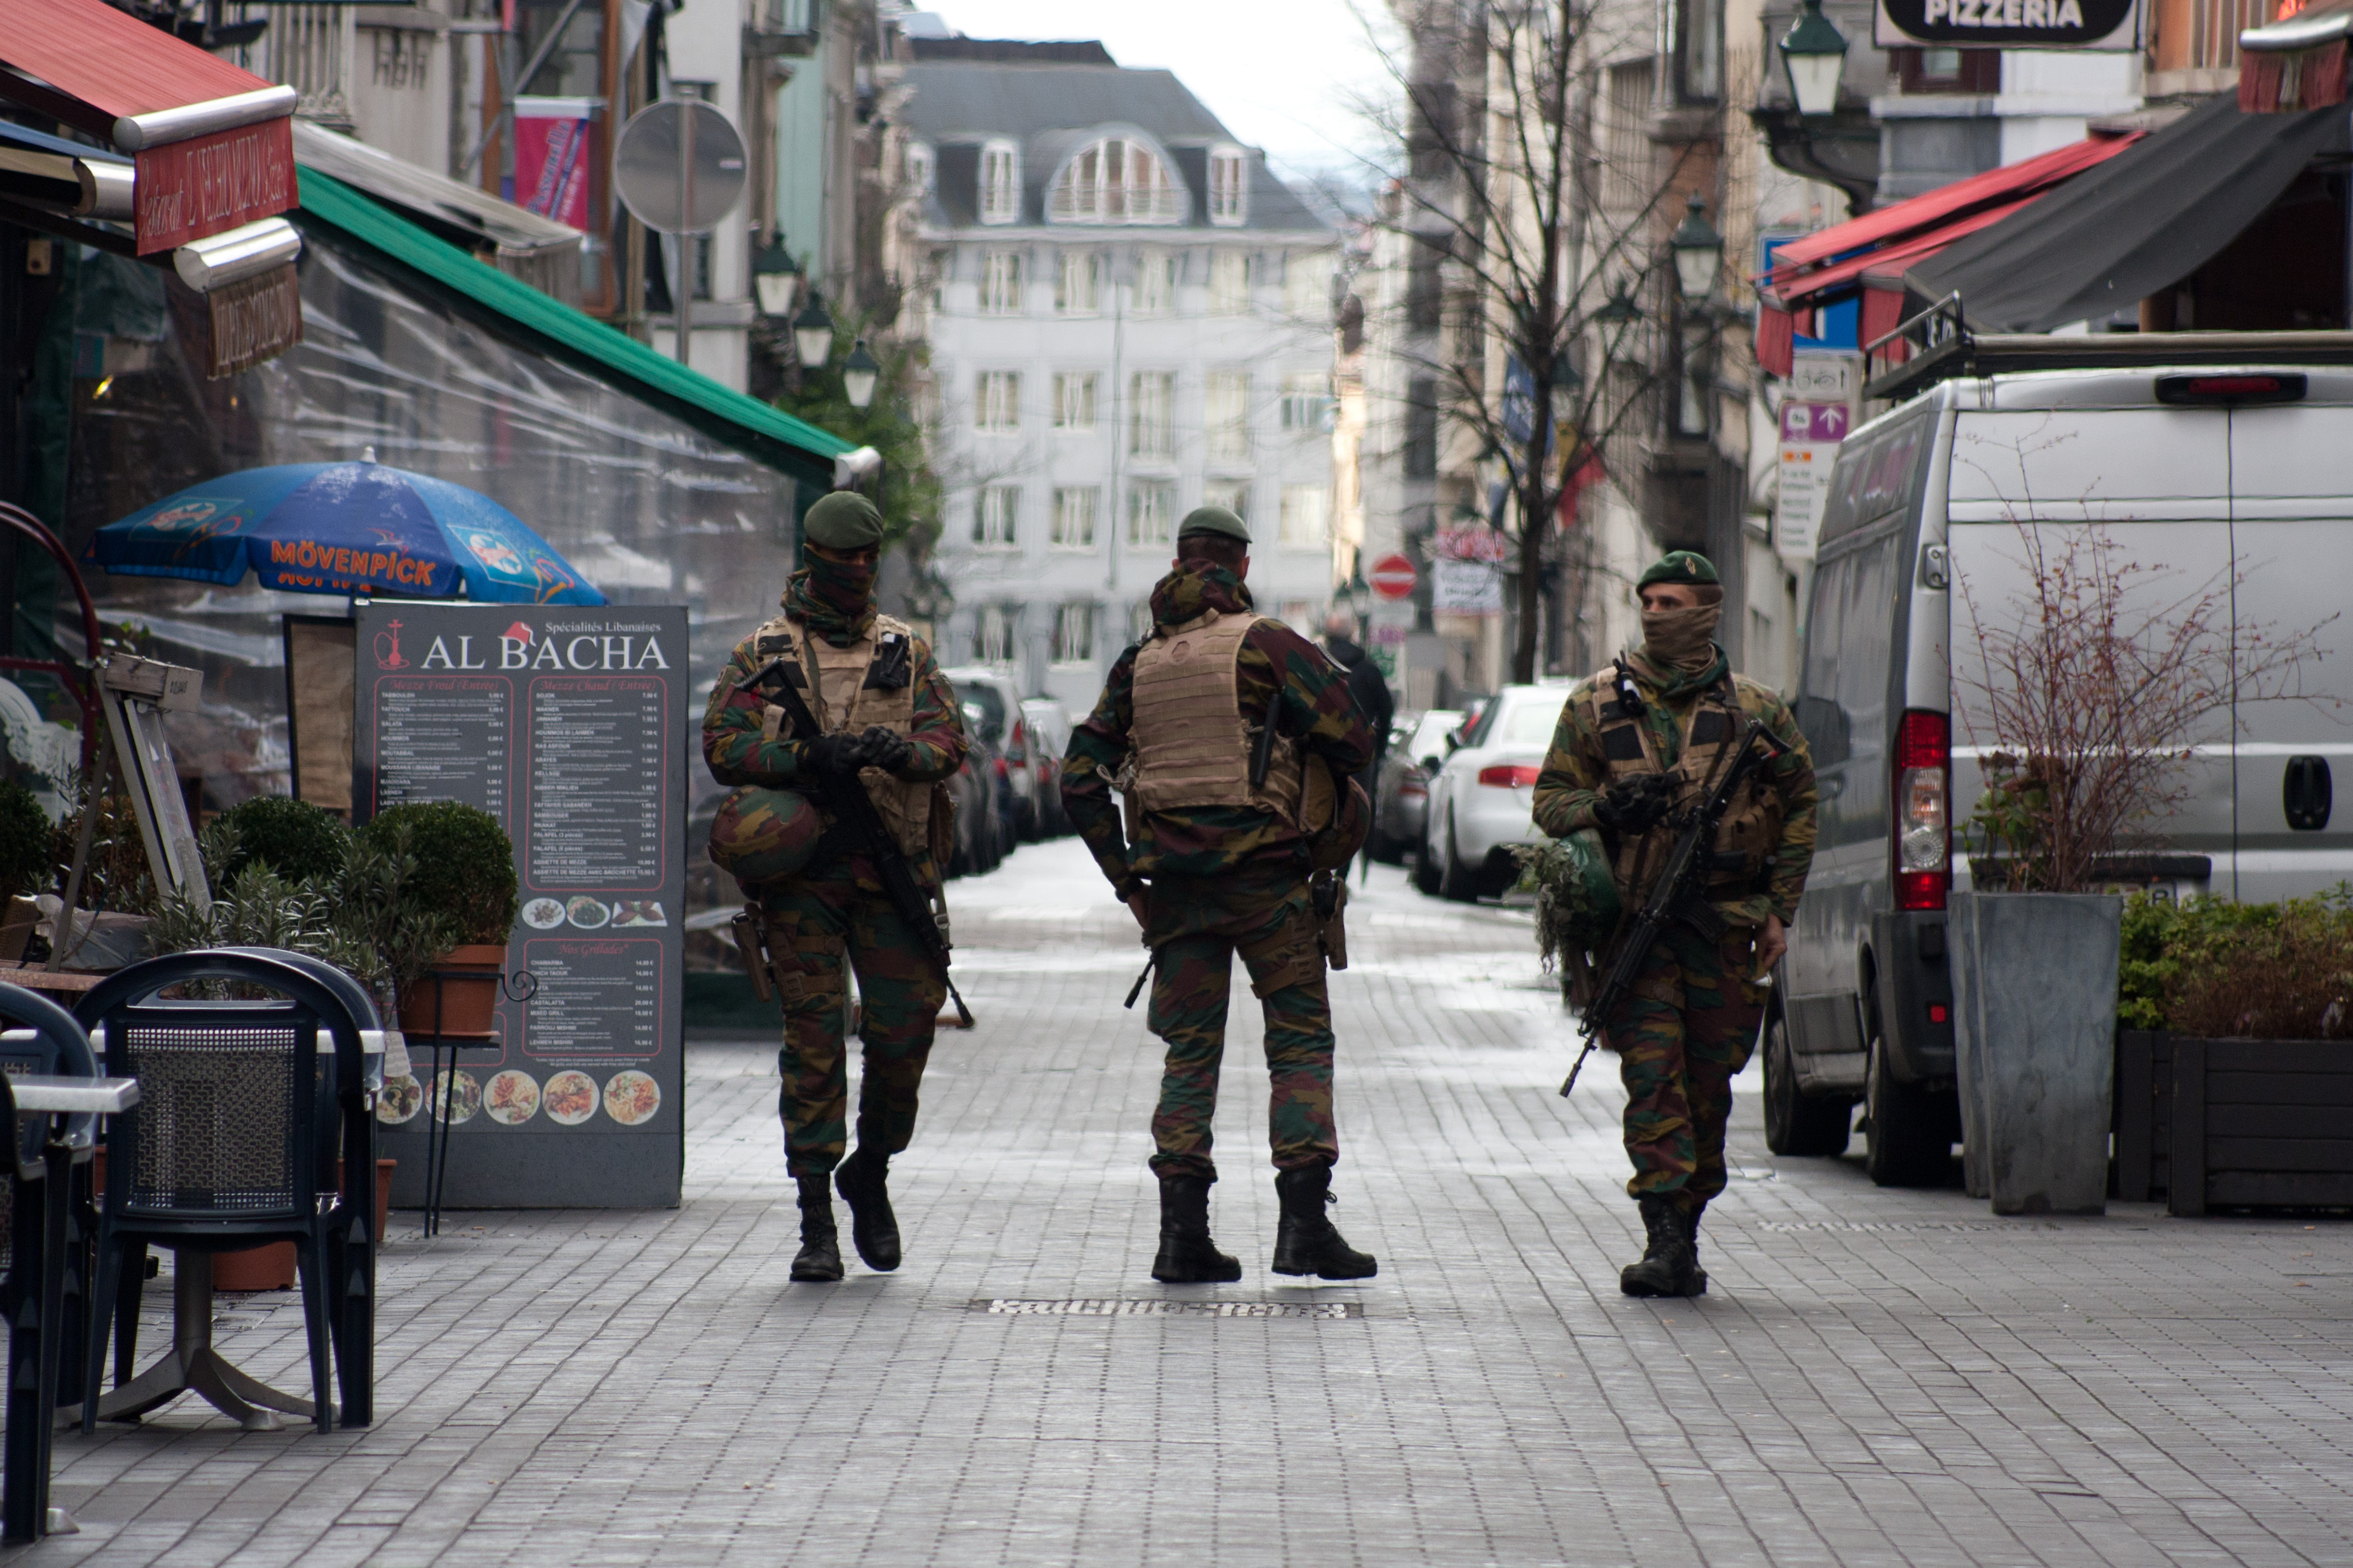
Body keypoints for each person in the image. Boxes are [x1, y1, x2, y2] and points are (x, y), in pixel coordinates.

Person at [1063, 506, 1379, 1283]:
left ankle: (1182, 1241)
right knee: (1299, 1044)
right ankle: (1304, 1231)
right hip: (1270, 882)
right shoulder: (1267, 643)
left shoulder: (1140, 662)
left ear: (1178, 565)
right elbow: (1353, 737)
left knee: (1189, 1056)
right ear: (1240, 566)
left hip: (1177, 891)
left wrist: (1126, 879)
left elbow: (1078, 777)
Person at [1531, 551, 1817, 1298]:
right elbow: (1550, 800)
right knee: (1650, 1080)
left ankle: (1686, 1228)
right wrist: (1604, 809)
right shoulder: (1595, 704)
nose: (1654, 614)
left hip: (1725, 928)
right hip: (1638, 930)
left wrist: (1779, 910)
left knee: (1707, 1088)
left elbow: (1800, 806)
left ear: (1707, 610)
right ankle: (1662, 1234)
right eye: (1647, 602)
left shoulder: (1757, 711)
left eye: (1671, 603)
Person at [701, 492, 970, 1284]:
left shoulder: (906, 653)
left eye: (866, 559)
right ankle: (816, 1219)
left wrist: (905, 752)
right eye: (842, 559)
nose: (856, 571)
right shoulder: (765, 654)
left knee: (903, 1036)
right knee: (813, 1046)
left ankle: (871, 1171)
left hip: (893, 874)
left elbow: (951, 738)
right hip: (804, 882)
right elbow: (723, 744)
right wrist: (800, 762)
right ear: (813, 558)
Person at [1321, 610, 1395, 880]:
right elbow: (1386, 710)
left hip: (1323, 750)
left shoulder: (1317, 663)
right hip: (1359, 752)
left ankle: (1317, 866)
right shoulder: (1369, 669)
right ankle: (1343, 871)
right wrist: (1380, 747)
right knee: (1356, 810)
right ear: (1351, 635)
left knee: (1319, 803)